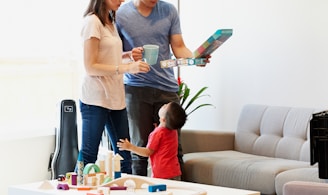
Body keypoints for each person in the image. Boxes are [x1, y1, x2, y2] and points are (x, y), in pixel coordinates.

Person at [116, 0, 209, 177]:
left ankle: (178, 189)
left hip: (167, 89)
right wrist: (129, 57)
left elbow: (179, 47)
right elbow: (113, 55)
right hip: (136, 89)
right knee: (139, 150)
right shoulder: (121, 14)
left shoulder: (169, 10)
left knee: (174, 148)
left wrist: (196, 60)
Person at [79, 0, 150, 174]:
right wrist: (127, 68)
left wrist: (128, 56)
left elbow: (108, 57)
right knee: (89, 155)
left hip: (116, 99)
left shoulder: (110, 21)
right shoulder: (92, 22)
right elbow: (91, 66)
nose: (122, 1)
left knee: (124, 156)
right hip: (95, 99)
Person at [117, 102, 187, 180]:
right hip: (175, 171)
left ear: (163, 119)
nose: (164, 105)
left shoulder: (157, 134)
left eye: (165, 107)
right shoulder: (174, 131)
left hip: (162, 175)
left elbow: (147, 152)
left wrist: (130, 147)